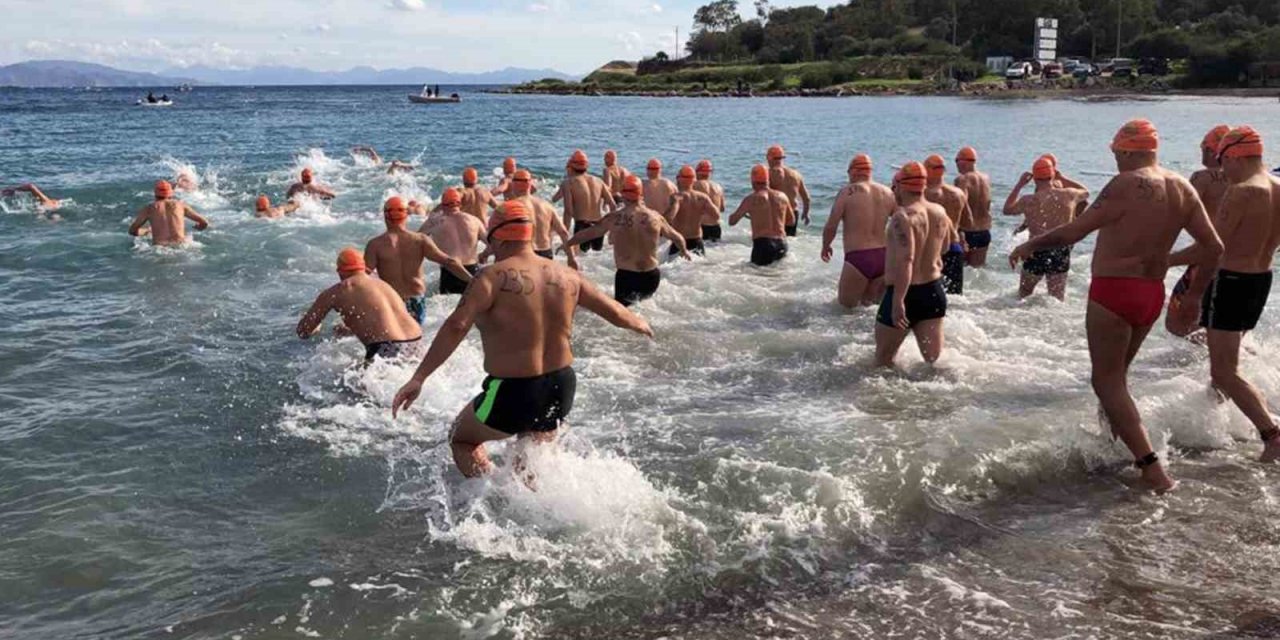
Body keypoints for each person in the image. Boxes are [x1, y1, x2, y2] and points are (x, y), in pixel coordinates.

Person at [1009, 119, 1223, 492]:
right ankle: (1111, 446)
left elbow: (1075, 231)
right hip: (1151, 293)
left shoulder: (1125, 183)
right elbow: (1214, 248)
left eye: (1115, 152)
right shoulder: (1183, 187)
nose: (1115, 159)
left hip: (1113, 290)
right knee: (1116, 381)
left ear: (1127, 150)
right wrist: (1174, 270)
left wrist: (1030, 244)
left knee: (1104, 380)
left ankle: (1151, 468)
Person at [390, 201, 654, 478]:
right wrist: (641, 325)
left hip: (513, 390)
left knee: (461, 439)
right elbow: (614, 311)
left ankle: (492, 498)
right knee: (526, 461)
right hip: (561, 385)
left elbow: (456, 325)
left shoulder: (489, 277)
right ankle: (533, 509)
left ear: (498, 236)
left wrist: (419, 377)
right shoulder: (568, 275)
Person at [1170, 127, 1280, 462]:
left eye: (1222, 160)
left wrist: (1167, 264)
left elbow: (1211, 249)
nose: (1221, 169)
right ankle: (1217, 424)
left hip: (1231, 281)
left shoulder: (1242, 191)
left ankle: (1271, 435)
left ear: (1234, 155)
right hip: (1261, 280)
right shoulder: (1277, 187)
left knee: (1223, 371)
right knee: (1225, 365)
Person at [563, 175, 690, 306]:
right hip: (651, 275)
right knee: (647, 310)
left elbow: (590, 233)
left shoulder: (614, 218)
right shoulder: (655, 217)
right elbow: (677, 237)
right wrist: (684, 251)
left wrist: (568, 243)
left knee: (624, 317)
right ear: (641, 195)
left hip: (627, 276)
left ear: (623, 195)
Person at [874, 162, 951, 367]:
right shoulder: (940, 212)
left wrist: (899, 300)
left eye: (893, 187)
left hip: (905, 293)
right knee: (934, 363)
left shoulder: (902, 216)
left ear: (901, 186)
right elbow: (945, 248)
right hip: (933, 292)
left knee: (883, 361)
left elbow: (906, 259)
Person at [297, 248, 424, 362]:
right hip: (417, 342)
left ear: (340, 272)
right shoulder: (383, 285)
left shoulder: (339, 290)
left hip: (386, 347)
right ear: (364, 268)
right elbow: (388, 325)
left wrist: (316, 326)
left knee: (352, 386)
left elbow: (303, 331)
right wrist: (350, 330)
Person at [1167, 124, 1232, 338]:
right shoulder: (1249, 180)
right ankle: (1228, 355)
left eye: (1203, 149)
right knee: (1224, 322)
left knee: (1176, 322)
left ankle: (1208, 358)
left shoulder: (1202, 177)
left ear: (1212, 151)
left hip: (1206, 258)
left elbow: (1178, 215)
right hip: (1241, 262)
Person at [366, 196, 473, 325]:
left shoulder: (375, 245)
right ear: (405, 215)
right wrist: (472, 280)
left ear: (385, 216)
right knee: (416, 337)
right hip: (416, 300)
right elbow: (449, 262)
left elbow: (363, 276)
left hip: (392, 301)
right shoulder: (419, 240)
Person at [1002, 157, 1091, 300]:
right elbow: (1086, 192)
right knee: (1056, 298)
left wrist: (1019, 185)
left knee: (1023, 296)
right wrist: (1063, 177)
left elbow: (1007, 210)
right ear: (1053, 174)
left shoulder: (1028, 200)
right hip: (1060, 249)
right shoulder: (1068, 194)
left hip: (1035, 248)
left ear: (1034, 179)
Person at [822, 154, 896, 308]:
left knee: (844, 311)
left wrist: (826, 245)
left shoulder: (846, 192)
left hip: (858, 257)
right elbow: (901, 223)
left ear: (853, 171)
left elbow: (831, 225)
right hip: (884, 256)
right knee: (871, 310)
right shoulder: (888, 192)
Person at [419, 188, 487, 295]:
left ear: (443, 205)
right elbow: (494, 245)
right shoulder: (474, 220)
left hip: (449, 274)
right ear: (459, 204)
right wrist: (484, 255)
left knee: (448, 310)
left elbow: (415, 241)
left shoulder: (434, 222)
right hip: (473, 270)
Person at [923, 155, 973, 295]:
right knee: (955, 297)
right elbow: (969, 222)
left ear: (927, 170)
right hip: (954, 247)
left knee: (929, 295)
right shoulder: (959, 194)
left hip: (932, 249)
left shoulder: (924, 194)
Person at [507, 170, 577, 266]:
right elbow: (564, 232)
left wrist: (486, 254)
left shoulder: (511, 206)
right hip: (546, 253)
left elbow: (499, 236)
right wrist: (571, 258)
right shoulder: (547, 205)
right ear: (530, 185)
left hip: (524, 254)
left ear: (515, 184)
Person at [729, 165, 792, 267]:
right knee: (778, 277)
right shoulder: (783, 196)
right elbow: (791, 221)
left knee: (757, 279)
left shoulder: (751, 199)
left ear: (753, 182)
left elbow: (732, 221)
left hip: (763, 245)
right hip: (782, 243)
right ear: (768, 180)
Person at [561, 150, 618, 254]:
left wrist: (564, 234)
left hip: (582, 227)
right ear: (586, 165)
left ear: (572, 165)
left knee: (581, 261)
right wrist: (611, 229)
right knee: (596, 260)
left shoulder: (568, 183)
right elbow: (613, 206)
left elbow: (568, 211)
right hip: (599, 227)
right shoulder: (598, 181)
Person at [128, 180, 210, 246]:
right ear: (170, 193)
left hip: (160, 248)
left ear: (155, 194)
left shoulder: (149, 208)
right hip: (181, 245)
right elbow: (205, 222)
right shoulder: (180, 205)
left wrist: (146, 231)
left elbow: (132, 231)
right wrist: (200, 227)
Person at [953, 147, 993, 267]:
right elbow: (988, 203)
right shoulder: (986, 178)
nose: (956, 165)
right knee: (977, 272)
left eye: (956, 160)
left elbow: (960, 204)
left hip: (967, 232)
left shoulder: (962, 179)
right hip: (984, 232)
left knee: (960, 273)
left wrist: (959, 232)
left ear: (964, 161)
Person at [664, 165, 716, 256]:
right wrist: (700, 214)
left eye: (678, 177)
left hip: (680, 242)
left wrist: (675, 204)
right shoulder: (702, 197)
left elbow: (668, 218)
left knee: (673, 269)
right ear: (694, 180)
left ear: (680, 179)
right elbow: (716, 216)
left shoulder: (676, 197)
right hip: (697, 241)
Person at [766, 145, 810, 235]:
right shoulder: (796, 174)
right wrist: (805, 214)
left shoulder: (769, 174)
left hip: (777, 214)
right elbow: (806, 198)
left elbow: (762, 195)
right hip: (793, 214)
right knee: (790, 242)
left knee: (774, 242)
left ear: (770, 158)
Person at [692, 159, 726, 242]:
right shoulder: (718, 187)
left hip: (701, 226)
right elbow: (722, 209)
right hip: (716, 227)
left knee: (698, 253)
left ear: (697, 172)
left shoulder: (694, 185)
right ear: (710, 173)